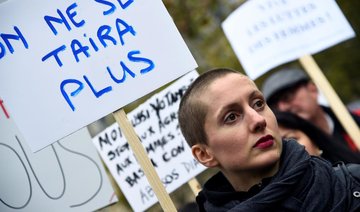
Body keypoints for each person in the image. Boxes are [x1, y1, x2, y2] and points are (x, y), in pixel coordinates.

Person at [178, 67, 360, 211]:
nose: (258, 120)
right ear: (204, 154)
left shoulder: (354, 182)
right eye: (231, 117)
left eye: (258, 104)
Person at [261, 67, 360, 152]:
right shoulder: (292, 154)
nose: (282, 108)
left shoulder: (356, 119)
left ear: (313, 89)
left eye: (287, 97)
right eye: (275, 106)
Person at [274, 110, 360, 164]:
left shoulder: (353, 175)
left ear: (313, 140)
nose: (290, 149)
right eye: (279, 146)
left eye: (292, 139)